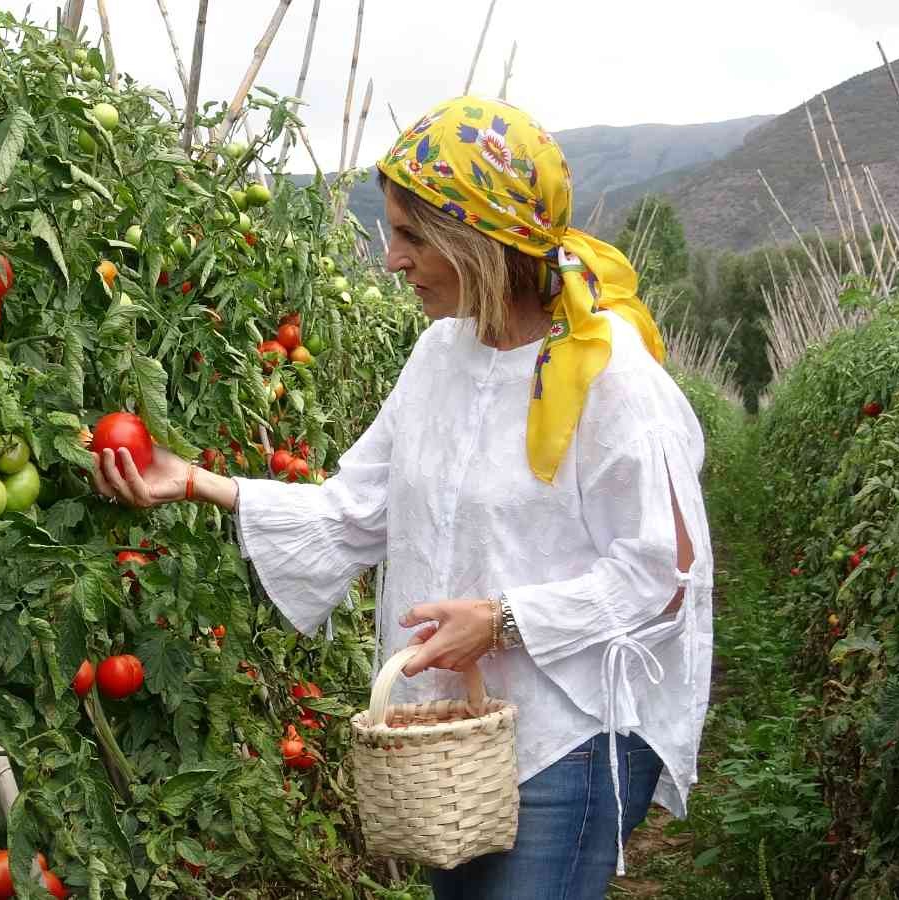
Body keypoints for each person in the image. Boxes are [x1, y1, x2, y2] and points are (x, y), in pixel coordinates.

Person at [91, 96, 713, 900]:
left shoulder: (610, 375)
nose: (392, 259)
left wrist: (502, 620)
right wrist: (200, 483)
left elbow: (666, 573)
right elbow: (359, 510)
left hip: (572, 730)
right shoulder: (436, 356)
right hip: (453, 738)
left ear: (483, 243)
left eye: (413, 236)